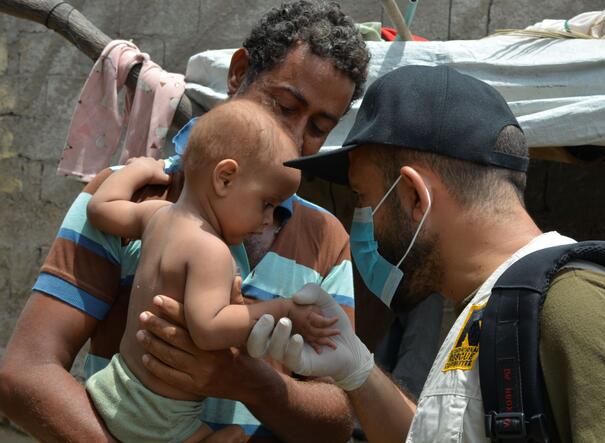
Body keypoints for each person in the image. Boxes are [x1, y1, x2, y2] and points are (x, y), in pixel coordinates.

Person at [0, 2, 369, 442]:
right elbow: (26, 372)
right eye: (285, 105)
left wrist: (247, 380)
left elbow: (337, 419)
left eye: (321, 127)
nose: (293, 136)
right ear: (239, 73)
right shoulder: (140, 198)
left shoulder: (327, 238)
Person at [248, 65, 605, 443]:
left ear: (415, 196)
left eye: (362, 197)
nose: (360, 222)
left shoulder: (573, 305)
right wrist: (358, 370)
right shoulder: (488, 309)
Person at [85, 101, 342, 443]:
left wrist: (140, 170)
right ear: (225, 178)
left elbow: (100, 208)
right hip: (162, 422)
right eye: (267, 204)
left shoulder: (157, 216)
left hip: (114, 389)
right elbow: (209, 329)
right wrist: (283, 310)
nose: (268, 219)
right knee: (233, 436)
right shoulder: (212, 250)